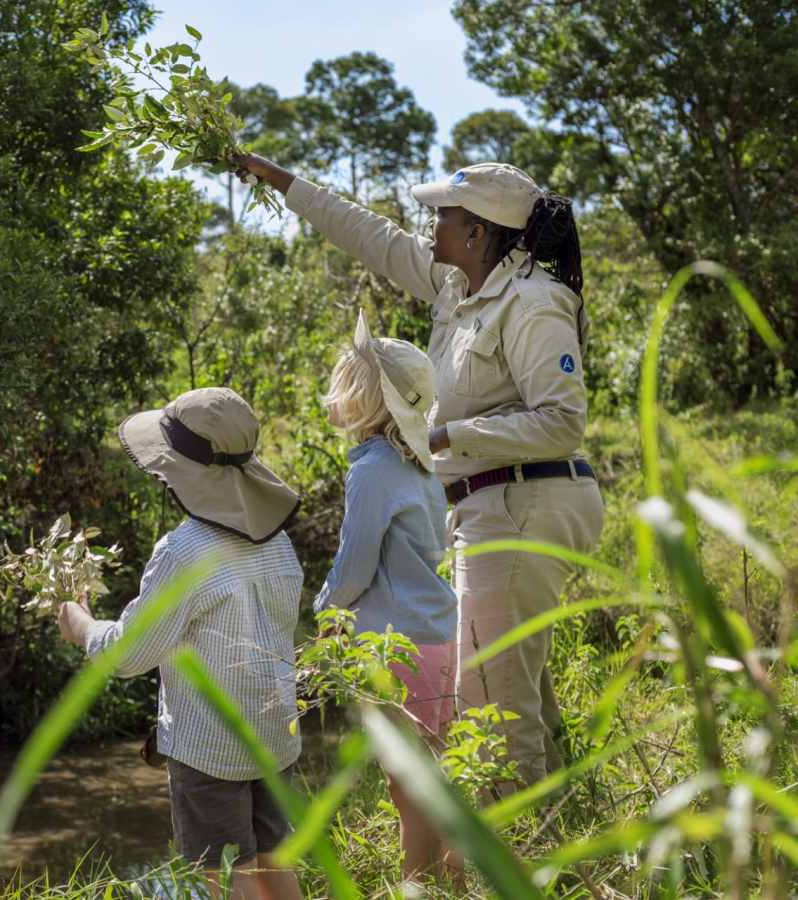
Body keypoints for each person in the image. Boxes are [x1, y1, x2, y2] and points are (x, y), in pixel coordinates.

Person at [229, 153, 605, 792]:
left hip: (526, 501)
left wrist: (444, 437)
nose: (430, 226)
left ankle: (512, 867)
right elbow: (372, 237)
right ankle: (560, 841)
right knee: (518, 689)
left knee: (491, 705)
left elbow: (561, 422)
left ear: (477, 232)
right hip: (492, 503)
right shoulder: (459, 286)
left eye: (443, 216)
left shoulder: (534, 303)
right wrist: (283, 182)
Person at [57, 386, 304, 900]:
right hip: (276, 736)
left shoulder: (183, 552)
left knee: (216, 877)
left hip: (209, 748)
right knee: (276, 865)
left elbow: (127, 655)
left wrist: (80, 623)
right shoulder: (279, 543)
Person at [315, 309, 460, 886]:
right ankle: (451, 878)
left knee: (406, 782)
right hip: (438, 634)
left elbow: (355, 563)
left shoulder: (373, 468)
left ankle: (417, 882)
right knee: (433, 772)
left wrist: (326, 610)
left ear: (367, 398)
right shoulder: (421, 463)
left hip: (396, 642)